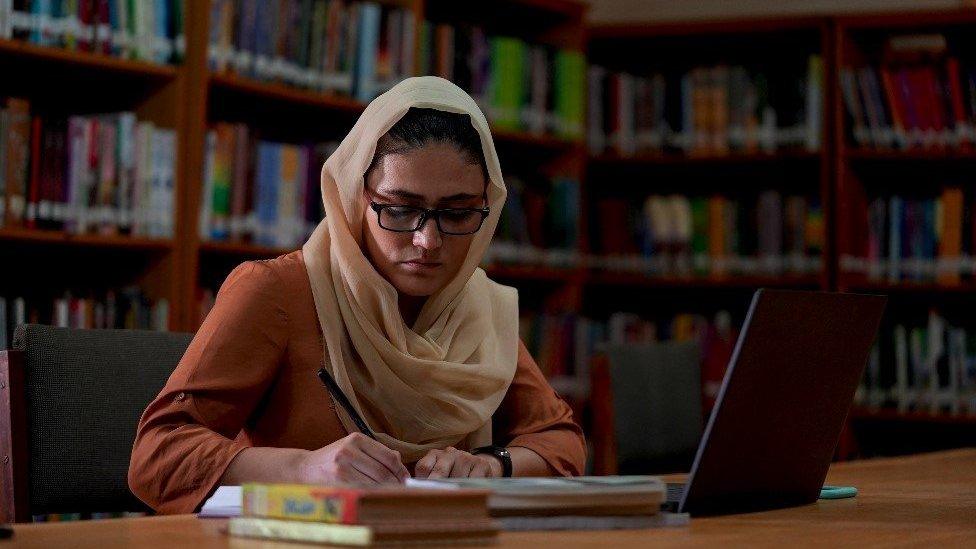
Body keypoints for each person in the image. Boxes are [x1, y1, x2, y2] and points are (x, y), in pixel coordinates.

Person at [128, 76, 586, 514]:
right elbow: (158, 453)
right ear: (354, 197)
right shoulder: (277, 292)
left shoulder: (475, 307)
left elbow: (561, 442)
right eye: (400, 209)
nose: (427, 240)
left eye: (458, 212)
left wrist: (491, 465)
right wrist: (303, 467)